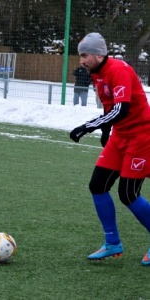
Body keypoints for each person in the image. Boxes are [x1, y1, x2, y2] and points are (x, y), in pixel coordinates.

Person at [69, 32, 150, 266]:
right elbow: (109, 107)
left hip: (141, 136)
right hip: (121, 136)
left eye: (84, 55)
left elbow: (121, 109)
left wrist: (88, 127)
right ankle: (113, 243)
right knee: (97, 185)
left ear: (97, 54)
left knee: (128, 194)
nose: (81, 61)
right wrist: (106, 131)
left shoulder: (119, 70)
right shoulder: (97, 72)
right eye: (80, 56)